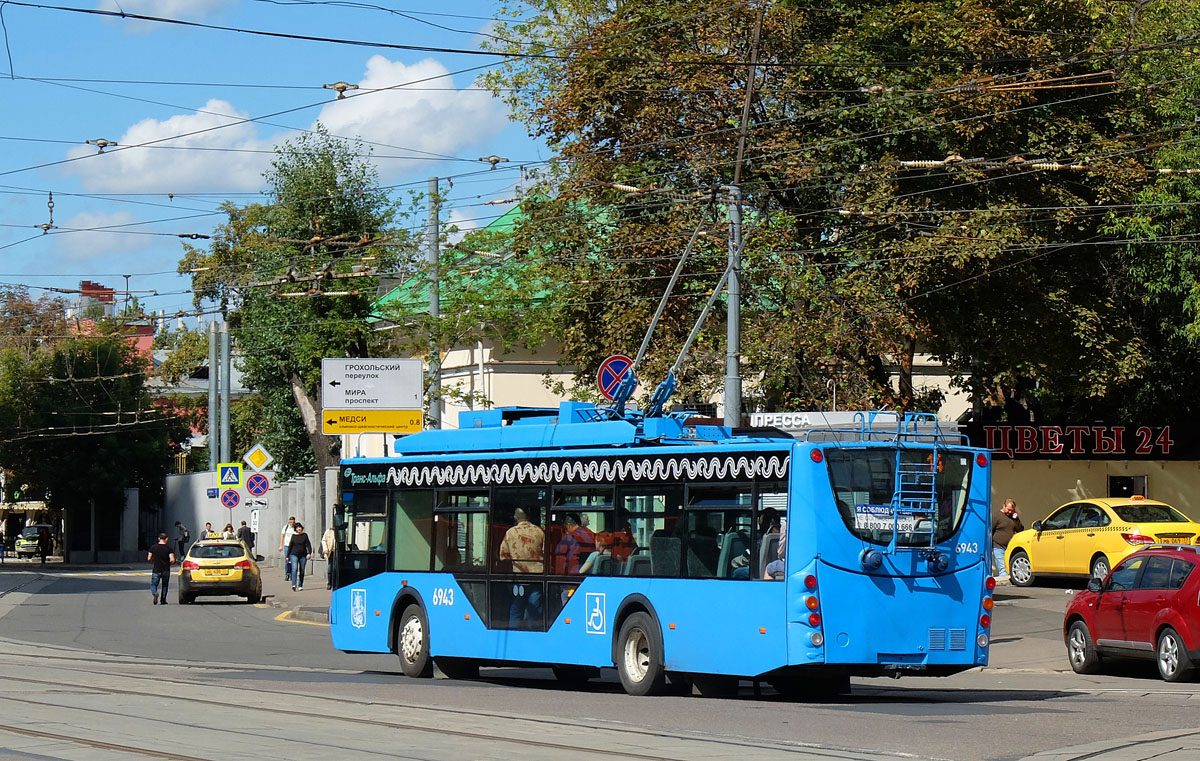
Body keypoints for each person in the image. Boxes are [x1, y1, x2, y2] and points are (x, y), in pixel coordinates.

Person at [499, 508, 544, 625]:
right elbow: (546, 553)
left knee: (516, 608)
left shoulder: (510, 533)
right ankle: (532, 636)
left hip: (518, 577)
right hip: (537, 577)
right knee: (534, 610)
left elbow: (503, 556)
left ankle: (514, 634)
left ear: (515, 518)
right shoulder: (539, 532)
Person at [992, 498, 1024, 581]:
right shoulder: (996, 516)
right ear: (1004, 506)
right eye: (1008, 510)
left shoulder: (1013, 518)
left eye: (1012, 510)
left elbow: (1020, 530)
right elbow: (990, 531)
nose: (1010, 512)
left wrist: (1016, 519)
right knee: (1003, 570)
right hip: (997, 546)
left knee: (1010, 569)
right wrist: (990, 547)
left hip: (1009, 548)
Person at [147, 532, 175, 605]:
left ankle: (155, 593)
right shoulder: (169, 548)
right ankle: (163, 600)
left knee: (153, 584)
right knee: (165, 585)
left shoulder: (153, 547)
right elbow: (172, 559)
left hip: (156, 569)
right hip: (166, 569)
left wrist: (154, 560)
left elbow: (149, 558)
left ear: (159, 538)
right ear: (166, 539)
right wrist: (169, 564)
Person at [287, 522, 313, 591]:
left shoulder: (305, 535)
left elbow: (308, 545)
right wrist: (287, 555)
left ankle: (300, 585)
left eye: (300, 527)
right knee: (294, 568)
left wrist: (309, 553)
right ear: (296, 529)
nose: (299, 529)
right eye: (298, 528)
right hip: (294, 554)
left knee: (302, 569)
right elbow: (290, 546)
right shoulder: (293, 536)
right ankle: (294, 584)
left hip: (303, 555)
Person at [278, 516, 296, 583]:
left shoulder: (295, 527)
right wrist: (281, 545)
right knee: (287, 560)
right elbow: (282, 536)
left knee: (293, 560)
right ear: (289, 522)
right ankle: (287, 574)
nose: (292, 523)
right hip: (287, 546)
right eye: (291, 522)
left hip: (294, 546)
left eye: (293, 522)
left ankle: (292, 574)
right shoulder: (286, 527)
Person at [319, 525, 337, 590]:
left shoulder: (343, 531)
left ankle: (336, 583)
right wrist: (325, 549)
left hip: (339, 552)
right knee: (330, 568)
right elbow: (323, 540)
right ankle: (330, 583)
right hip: (331, 552)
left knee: (336, 568)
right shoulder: (329, 531)